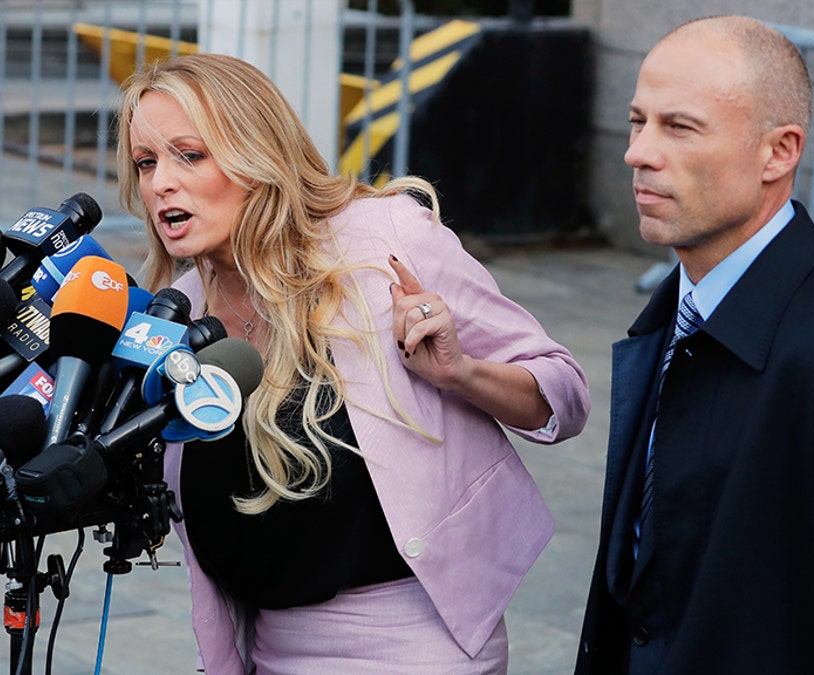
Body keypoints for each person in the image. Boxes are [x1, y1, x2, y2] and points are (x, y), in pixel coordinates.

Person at [114, 52, 590, 673]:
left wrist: (460, 371)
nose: (160, 184)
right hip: (262, 647)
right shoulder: (177, 317)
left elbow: (565, 394)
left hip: (415, 643)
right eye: (146, 163)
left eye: (190, 155)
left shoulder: (383, 239)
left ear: (258, 154)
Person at [576, 15, 814, 674]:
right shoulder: (673, 314)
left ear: (779, 152)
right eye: (639, 121)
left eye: (680, 126)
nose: (637, 151)